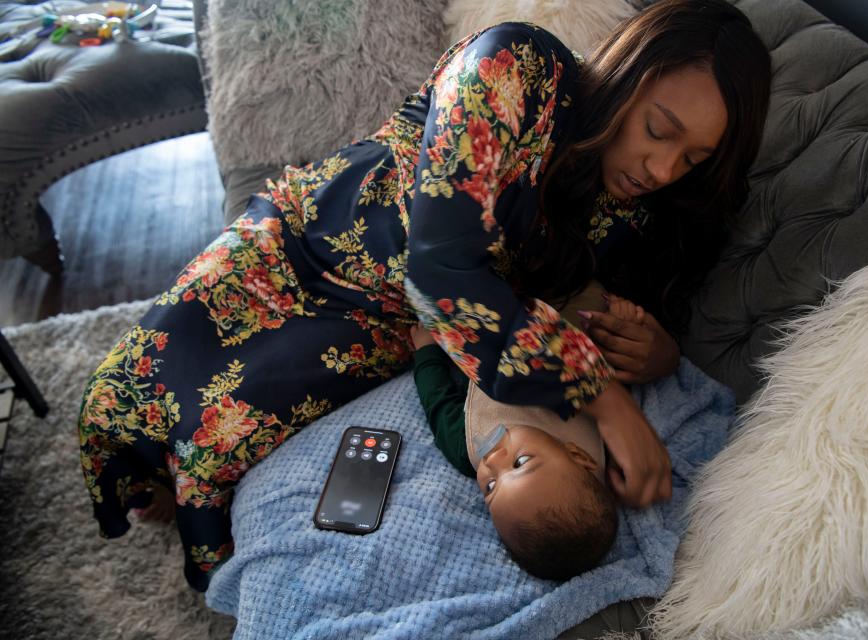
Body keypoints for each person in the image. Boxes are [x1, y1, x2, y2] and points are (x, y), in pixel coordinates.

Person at [77, 0, 771, 592]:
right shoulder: (517, 66)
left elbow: (615, 303)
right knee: (121, 395)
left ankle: (198, 522)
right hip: (298, 246)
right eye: (659, 131)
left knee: (214, 440)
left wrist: (658, 348)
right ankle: (149, 477)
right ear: (626, 72)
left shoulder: (648, 211)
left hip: (390, 323)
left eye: (695, 158)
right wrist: (604, 397)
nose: (662, 168)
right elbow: (443, 266)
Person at [410, 289, 654, 581]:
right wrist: (619, 320)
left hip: (473, 317)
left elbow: (437, 400)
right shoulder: (600, 435)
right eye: (520, 462)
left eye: (490, 488)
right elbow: (606, 370)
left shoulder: (467, 449)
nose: (493, 460)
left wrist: (425, 352)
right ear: (578, 454)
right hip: (554, 303)